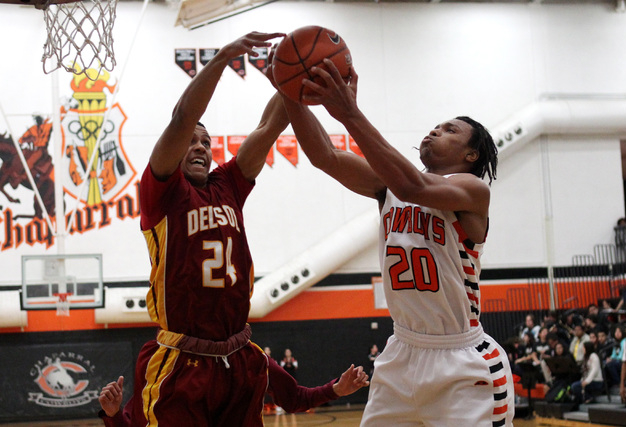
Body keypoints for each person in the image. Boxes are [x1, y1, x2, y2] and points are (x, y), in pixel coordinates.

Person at [274, 58, 514, 426]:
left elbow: (413, 186)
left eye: (449, 130)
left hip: (463, 360)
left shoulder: (471, 190)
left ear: (471, 155)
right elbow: (324, 156)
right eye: (435, 126)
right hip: (401, 353)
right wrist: (289, 87)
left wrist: (349, 113)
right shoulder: (389, 187)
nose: (435, 131)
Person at [98, 31, 291, 427]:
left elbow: (270, 126)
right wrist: (222, 59)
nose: (200, 145)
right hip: (182, 359)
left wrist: (293, 79)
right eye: (191, 141)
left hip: (236, 353)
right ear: (173, 146)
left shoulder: (228, 185)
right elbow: (183, 117)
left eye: (206, 141)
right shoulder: (162, 192)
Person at [99, 360, 370, 425]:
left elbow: (295, 398)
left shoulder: (254, 358)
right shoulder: (162, 360)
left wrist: (336, 389)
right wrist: (113, 415)